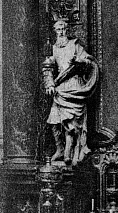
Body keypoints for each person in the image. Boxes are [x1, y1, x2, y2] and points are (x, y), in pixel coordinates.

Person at [42, 19, 99, 166]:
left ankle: (69, 151)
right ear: (55, 31)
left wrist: (81, 62)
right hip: (60, 88)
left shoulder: (75, 46)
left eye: (63, 29)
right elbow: (47, 67)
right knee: (54, 121)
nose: (61, 32)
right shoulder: (53, 48)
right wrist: (49, 84)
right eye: (58, 29)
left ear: (67, 30)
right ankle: (60, 149)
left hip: (74, 85)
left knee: (72, 124)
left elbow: (89, 62)